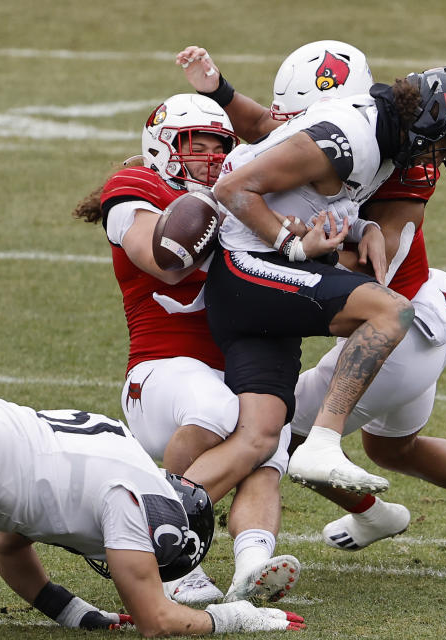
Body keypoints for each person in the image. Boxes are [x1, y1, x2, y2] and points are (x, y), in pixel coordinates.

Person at [178, 43, 446, 571]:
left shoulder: (387, 156)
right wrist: (220, 92)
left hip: (401, 329)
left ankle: (180, 527)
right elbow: (272, 133)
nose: (289, 124)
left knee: (272, 437)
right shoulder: (369, 132)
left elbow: (362, 268)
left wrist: (320, 240)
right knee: (393, 450)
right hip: (422, 317)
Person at [0, 395, 305, 639]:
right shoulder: (139, 503)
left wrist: (79, 615)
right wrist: (232, 618)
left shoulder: (122, 451)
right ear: (168, 537)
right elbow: (156, 621)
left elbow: (3, 545)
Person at [73, 93, 300, 605]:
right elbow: (161, 260)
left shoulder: (238, 191)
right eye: (198, 146)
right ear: (163, 145)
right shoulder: (136, 186)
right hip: (157, 374)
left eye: (222, 148)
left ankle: (253, 566)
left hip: (231, 367)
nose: (213, 158)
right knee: (217, 410)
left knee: (271, 443)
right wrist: (224, 206)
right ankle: (165, 551)